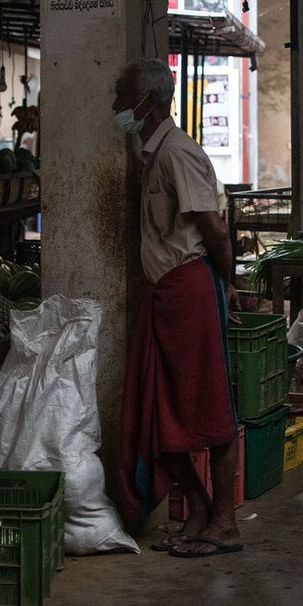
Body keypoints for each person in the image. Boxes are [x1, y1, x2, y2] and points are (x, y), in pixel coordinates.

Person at [110, 58, 243, 559]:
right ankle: (203, 511)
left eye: (123, 94)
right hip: (165, 294)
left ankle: (226, 522)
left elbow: (214, 230)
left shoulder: (178, 154)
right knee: (160, 415)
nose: (116, 104)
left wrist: (226, 284)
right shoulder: (155, 153)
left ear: (149, 100)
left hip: (188, 291)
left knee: (209, 409)